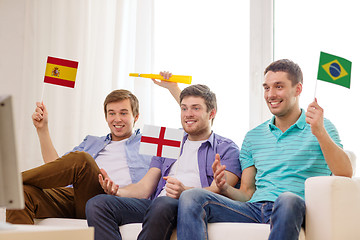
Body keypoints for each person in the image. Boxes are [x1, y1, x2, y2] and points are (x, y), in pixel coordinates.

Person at [176, 59, 353, 240]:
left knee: (287, 199)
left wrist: (320, 133)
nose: (271, 94)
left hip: (292, 207)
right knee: (192, 197)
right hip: (254, 209)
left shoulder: (321, 127)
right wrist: (225, 188)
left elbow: (345, 172)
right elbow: (246, 193)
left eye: (278, 87)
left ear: (298, 89)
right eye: (266, 88)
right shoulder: (253, 137)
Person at [85, 84, 241, 240]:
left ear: (212, 113)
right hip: (157, 204)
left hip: (189, 206)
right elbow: (145, 187)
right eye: (184, 108)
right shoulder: (171, 140)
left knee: (163, 204)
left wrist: (185, 191)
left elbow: (219, 190)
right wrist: (117, 191)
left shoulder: (226, 148)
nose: (188, 114)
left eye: (196, 108)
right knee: (97, 204)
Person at [6, 89, 154, 224]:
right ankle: (11, 185)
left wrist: (173, 88)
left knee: (82, 160)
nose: (117, 119)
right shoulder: (92, 141)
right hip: (75, 196)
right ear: (106, 116)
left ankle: (7, 183)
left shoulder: (148, 143)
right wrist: (42, 129)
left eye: (123, 113)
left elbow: (178, 136)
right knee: (21, 194)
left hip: (112, 201)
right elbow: (57, 168)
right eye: (112, 113)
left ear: (136, 116)